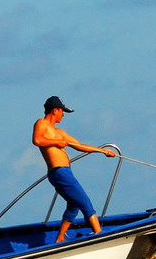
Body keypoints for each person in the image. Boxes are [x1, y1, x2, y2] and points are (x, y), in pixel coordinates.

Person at [32, 96, 116, 242]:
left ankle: (60, 238)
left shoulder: (60, 132)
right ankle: (99, 233)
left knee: (74, 205)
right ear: (55, 110)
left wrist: (102, 151)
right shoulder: (41, 123)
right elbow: (37, 140)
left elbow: (79, 146)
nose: (63, 115)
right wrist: (58, 142)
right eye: (62, 111)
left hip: (66, 171)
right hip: (59, 172)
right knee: (85, 201)